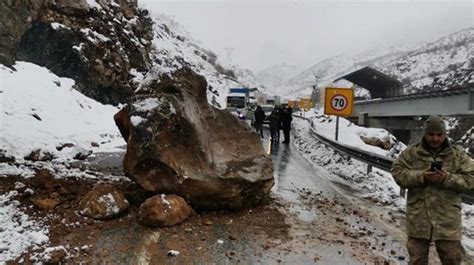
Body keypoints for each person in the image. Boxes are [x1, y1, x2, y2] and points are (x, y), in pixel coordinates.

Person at [391, 115, 474, 265]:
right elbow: (398, 173)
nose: (435, 139)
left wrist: (446, 179)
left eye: (439, 135)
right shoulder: (411, 153)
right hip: (419, 218)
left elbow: (471, 178)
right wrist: (421, 176)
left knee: (452, 259)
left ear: (445, 135)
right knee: (417, 260)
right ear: (425, 134)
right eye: (431, 134)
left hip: (447, 220)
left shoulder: (457, 155)